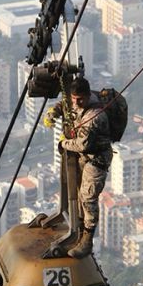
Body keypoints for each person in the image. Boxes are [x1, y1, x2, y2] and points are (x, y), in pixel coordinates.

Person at [57, 77, 113, 258]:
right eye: (74, 99)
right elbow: (67, 105)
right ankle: (79, 233)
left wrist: (64, 144)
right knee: (79, 196)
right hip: (85, 158)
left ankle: (87, 240)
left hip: (96, 159)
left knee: (88, 198)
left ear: (88, 96)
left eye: (80, 99)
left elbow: (82, 145)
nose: (76, 103)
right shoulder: (80, 102)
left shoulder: (94, 117)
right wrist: (55, 110)